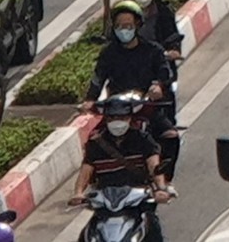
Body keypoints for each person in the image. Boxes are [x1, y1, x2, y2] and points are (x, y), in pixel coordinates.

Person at [71, 93, 169, 226]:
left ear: (130, 118)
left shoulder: (142, 139)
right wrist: (78, 193)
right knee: (87, 234)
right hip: (106, 201)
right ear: (106, 119)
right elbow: (86, 170)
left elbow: (154, 166)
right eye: (112, 117)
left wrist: (161, 189)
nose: (117, 121)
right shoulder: (96, 144)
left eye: (122, 117)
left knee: (152, 228)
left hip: (137, 199)